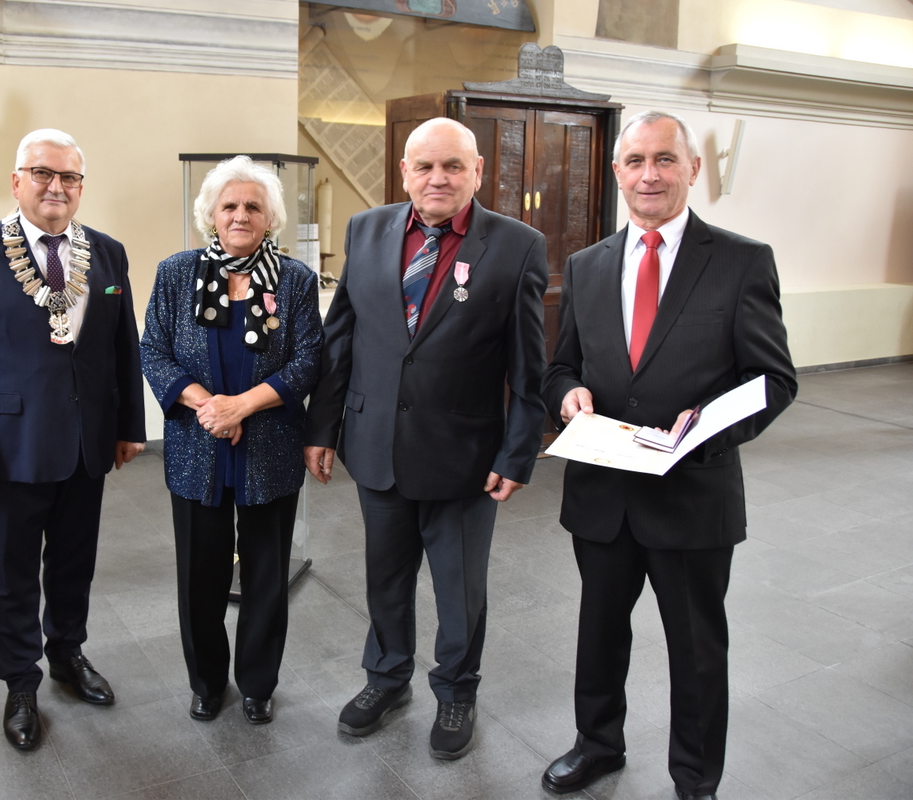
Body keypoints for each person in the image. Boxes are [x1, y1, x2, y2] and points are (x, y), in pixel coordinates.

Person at [540, 110, 797, 800]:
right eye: (635, 161)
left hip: (692, 496)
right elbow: (559, 369)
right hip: (603, 497)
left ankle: (695, 777)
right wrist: (568, 399)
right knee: (598, 634)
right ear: (617, 172)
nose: (648, 174)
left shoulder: (742, 261)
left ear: (692, 169)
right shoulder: (589, 266)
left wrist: (705, 427)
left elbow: (773, 379)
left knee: (696, 648)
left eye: (663, 159)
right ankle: (596, 744)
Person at [304, 117, 548, 760]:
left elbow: (529, 368)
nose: (438, 178)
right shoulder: (368, 228)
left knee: (459, 589)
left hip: (465, 458)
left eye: (453, 166)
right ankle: (385, 679)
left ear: (477, 172)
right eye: (424, 166)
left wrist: (518, 451)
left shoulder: (518, 245)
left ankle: (456, 690)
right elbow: (342, 337)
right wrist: (322, 427)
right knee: (385, 577)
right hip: (375, 445)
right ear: (405, 171)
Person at [0, 128, 146, 751]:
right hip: (10, 443)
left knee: (75, 562)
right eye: (44, 174)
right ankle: (20, 683)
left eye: (70, 177)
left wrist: (129, 425)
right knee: (14, 571)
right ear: (17, 180)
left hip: (88, 442)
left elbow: (121, 347)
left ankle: (69, 657)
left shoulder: (107, 253)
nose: (57, 187)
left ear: (82, 186)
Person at [140, 155, 323, 725]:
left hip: (268, 450)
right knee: (201, 577)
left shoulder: (294, 281)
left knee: (267, 578)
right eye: (230, 206)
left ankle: (258, 684)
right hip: (198, 450)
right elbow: (154, 350)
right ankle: (206, 681)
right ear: (211, 216)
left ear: (270, 219)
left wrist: (244, 405)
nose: (241, 215)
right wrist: (211, 408)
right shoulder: (176, 273)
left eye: (253, 207)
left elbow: (308, 358)